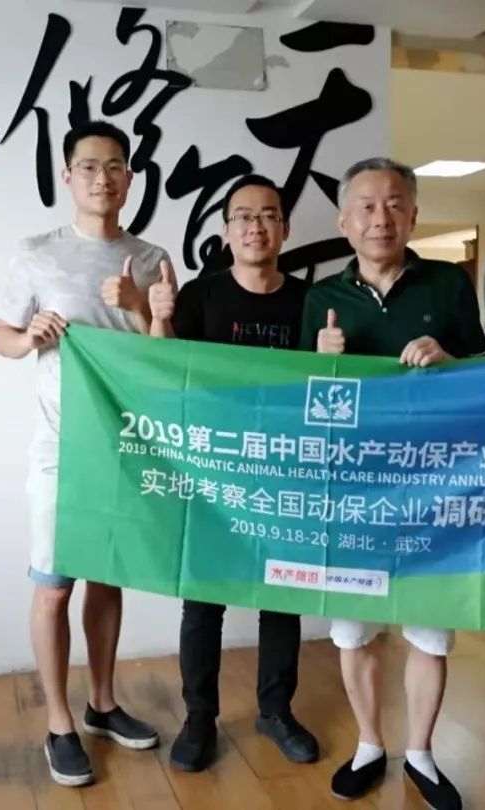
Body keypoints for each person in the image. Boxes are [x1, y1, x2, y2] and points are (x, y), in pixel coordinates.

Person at [301, 157, 485, 810]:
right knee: (354, 629)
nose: (380, 218)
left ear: (413, 214)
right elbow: (297, 399)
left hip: (434, 482)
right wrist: (320, 363)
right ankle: (369, 744)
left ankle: (422, 753)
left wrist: (450, 358)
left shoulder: (449, 284)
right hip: (352, 487)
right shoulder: (320, 297)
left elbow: (483, 376)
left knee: (431, 629)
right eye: (366, 206)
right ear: (344, 221)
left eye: (394, 204)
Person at [0, 120, 172, 788]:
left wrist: (142, 307)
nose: (104, 177)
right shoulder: (36, 253)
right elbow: (3, 338)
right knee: (53, 586)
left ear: (130, 177)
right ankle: (59, 723)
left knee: (107, 577)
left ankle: (101, 703)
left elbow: (166, 358)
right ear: (68, 176)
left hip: (124, 443)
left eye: (116, 165)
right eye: (90, 166)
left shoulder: (152, 258)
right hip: (59, 444)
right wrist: (30, 336)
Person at [147, 175, 320, 772]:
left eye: (268, 215)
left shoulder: (310, 301)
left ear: (285, 228)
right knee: (203, 604)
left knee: (282, 599)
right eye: (243, 216)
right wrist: (159, 319)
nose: (255, 227)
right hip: (213, 473)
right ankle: (199, 717)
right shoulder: (201, 295)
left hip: (286, 473)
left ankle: (275, 711)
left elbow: (325, 386)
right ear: (227, 231)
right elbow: (166, 374)